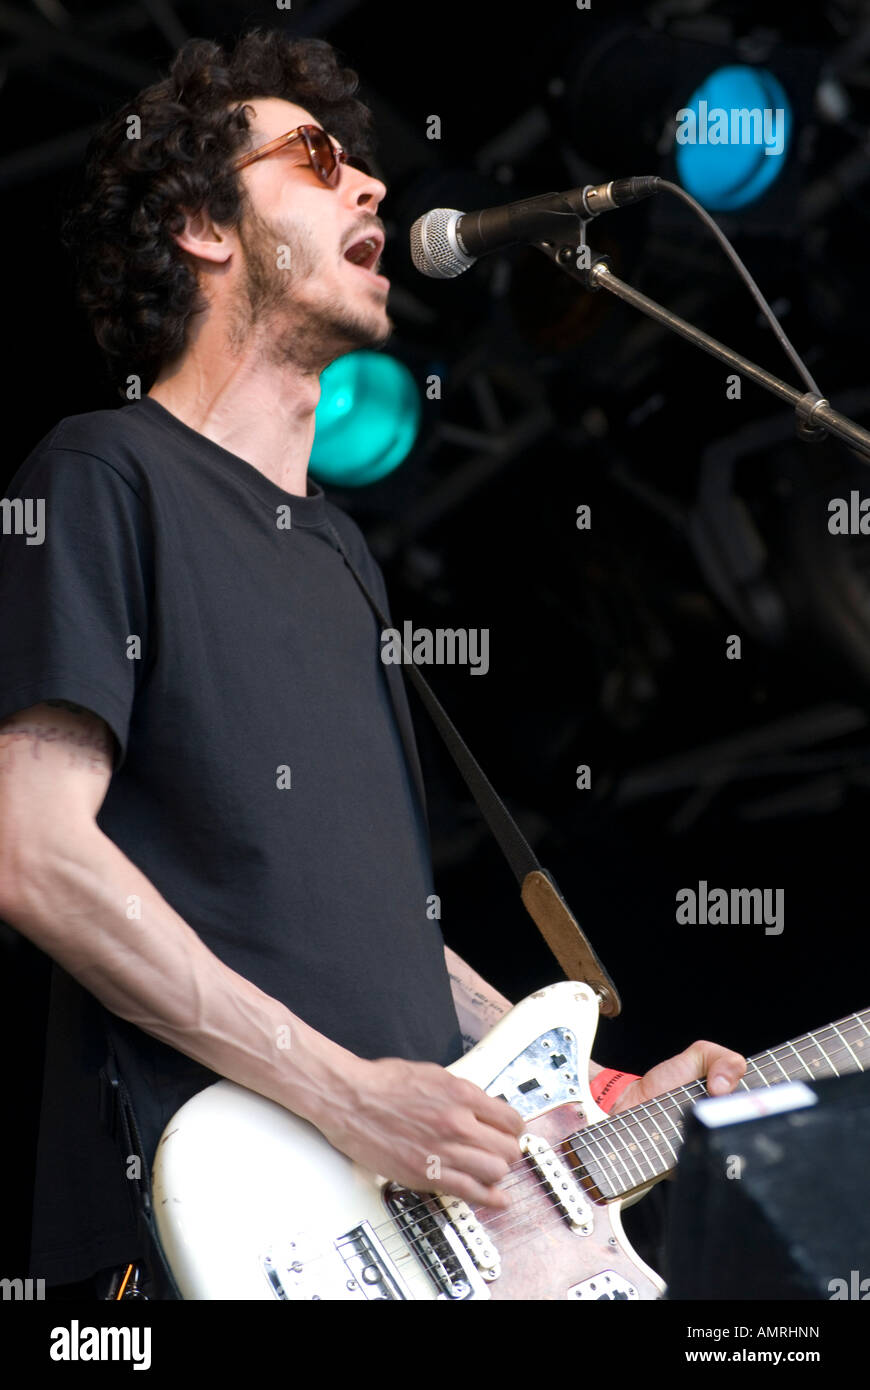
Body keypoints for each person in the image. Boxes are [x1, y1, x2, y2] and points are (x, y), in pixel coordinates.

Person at [0, 29, 745, 1299]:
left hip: (391, 1231)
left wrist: (600, 1091)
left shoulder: (341, 556)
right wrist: (344, 1094)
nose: (375, 189)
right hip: (204, 1219)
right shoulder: (101, 472)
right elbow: (34, 854)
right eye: (315, 160)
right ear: (202, 228)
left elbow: (379, 939)